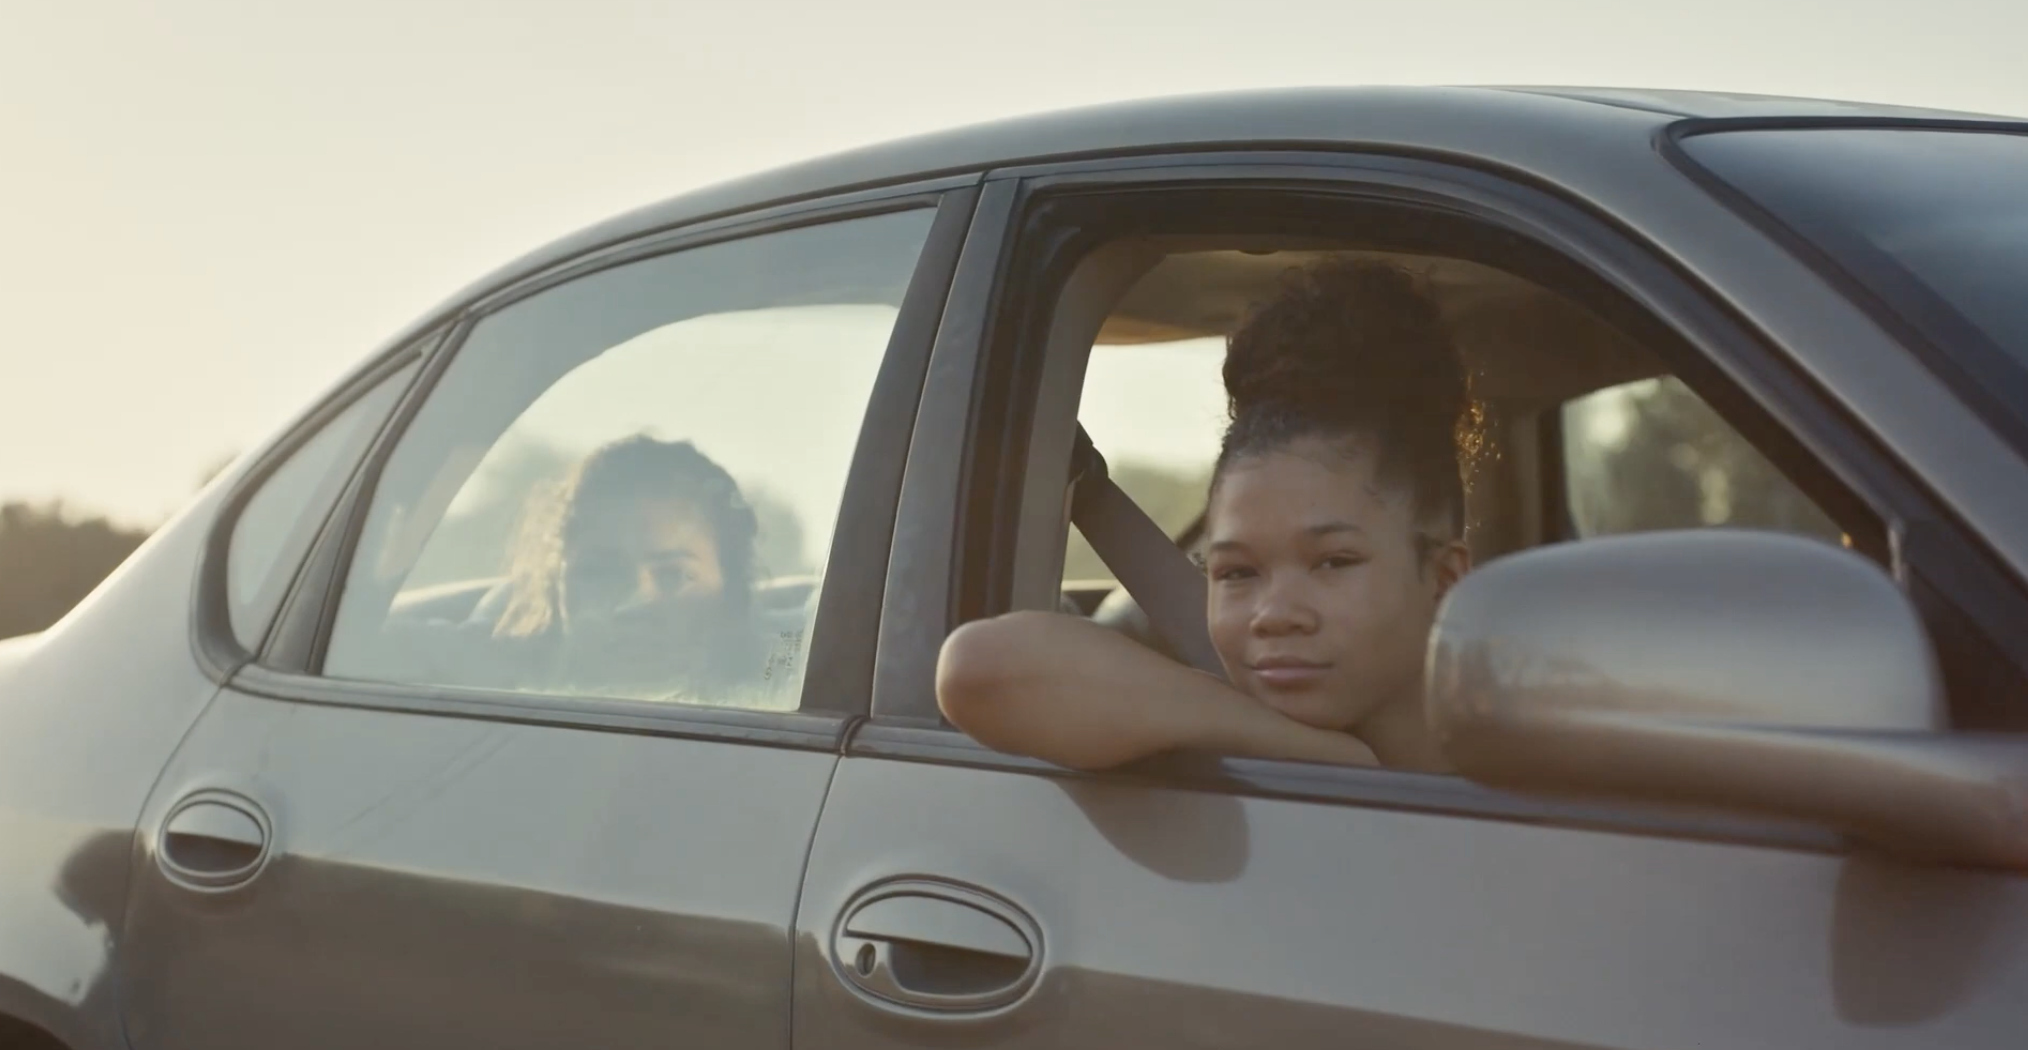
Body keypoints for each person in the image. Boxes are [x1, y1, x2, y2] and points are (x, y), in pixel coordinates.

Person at [937, 259, 1479, 772]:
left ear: (1444, 580)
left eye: (1334, 562)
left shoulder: (1541, 782)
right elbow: (978, 668)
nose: (1273, 615)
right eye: (1236, 572)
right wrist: (1328, 757)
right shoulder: (1271, 696)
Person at [492, 434, 768, 701]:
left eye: (674, 574)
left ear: (732, 592)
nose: (631, 602)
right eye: (598, 573)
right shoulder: (484, 685)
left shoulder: (778, 697)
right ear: (554, 585)